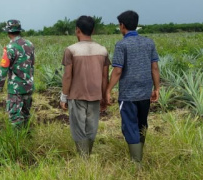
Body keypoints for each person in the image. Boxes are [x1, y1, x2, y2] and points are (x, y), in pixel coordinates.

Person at [105, 10, 160, 163]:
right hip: (145, 93)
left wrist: (108, 90)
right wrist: (157, 88)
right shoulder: (149, 43)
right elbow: (154, 67)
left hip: (128, 94)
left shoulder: (122, 45)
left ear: (122, 26)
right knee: (142, 123)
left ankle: (136, 163)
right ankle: (139, 154)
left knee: (130, 125)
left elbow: (117, 70)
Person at [60, 15, 110, 157]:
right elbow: (105, 76)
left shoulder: (71, 50)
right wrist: (104, 96)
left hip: (76, 95)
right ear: (93, 30)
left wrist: (64, 97)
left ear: (77, 30)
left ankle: (84, 160)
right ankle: (87, 155)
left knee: (78, 129)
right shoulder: (102, 50)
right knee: (91, 127)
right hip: (95, 95)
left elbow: (67, 76)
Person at [0, 19, 35, 128]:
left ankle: (17, 142)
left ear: (8, 32)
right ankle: (27, 138)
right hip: (28, 86)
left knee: (15, 118)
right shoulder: (30, 44)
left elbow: (3, 69)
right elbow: (32, 64)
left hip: (16, 89)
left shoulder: (10, 48)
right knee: (26, 115)